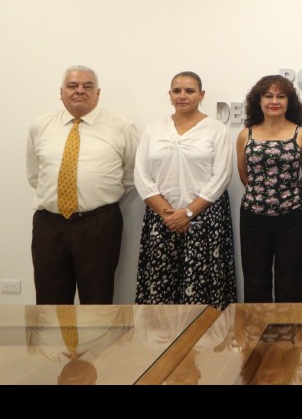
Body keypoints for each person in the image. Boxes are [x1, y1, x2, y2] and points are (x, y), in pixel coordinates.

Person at [26, 65, 138, 304]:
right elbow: (35, 174)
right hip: (49, 225)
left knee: (97, 300)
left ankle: (94, 334)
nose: (79, 90)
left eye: (88, 86)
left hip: (98, 224)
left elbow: (130, 176)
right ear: (61, 92)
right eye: (72, 86)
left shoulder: (121, 127)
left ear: (98, 93)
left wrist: (98, 196)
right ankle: (55, 333)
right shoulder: (40, 126)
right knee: (49, 301)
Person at [134, 71, 236, 309]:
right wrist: (169, 215)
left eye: (189, 91)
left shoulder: (216, 130)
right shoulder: (153, 130)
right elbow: (141, 174)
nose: (182, 96)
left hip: (205, 220)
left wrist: (188, 213)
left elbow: (221, 176)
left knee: (203, 293)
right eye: (177, 91)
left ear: (201, 95)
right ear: (169, 95)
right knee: (160, 288)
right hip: (162, 219)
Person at [237, 75, 302, 303]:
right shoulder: (246, 134)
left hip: (292, 218)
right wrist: (262, 196)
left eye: (281, 96)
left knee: (290, 281)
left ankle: (288, 327)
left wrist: (286, 196)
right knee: (255, 280)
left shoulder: (301, 134)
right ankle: (257, 326)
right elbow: (244, 176)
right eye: (268, 96)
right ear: (258, 101)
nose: (274, 101)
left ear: (289, 102)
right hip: (253, 218)